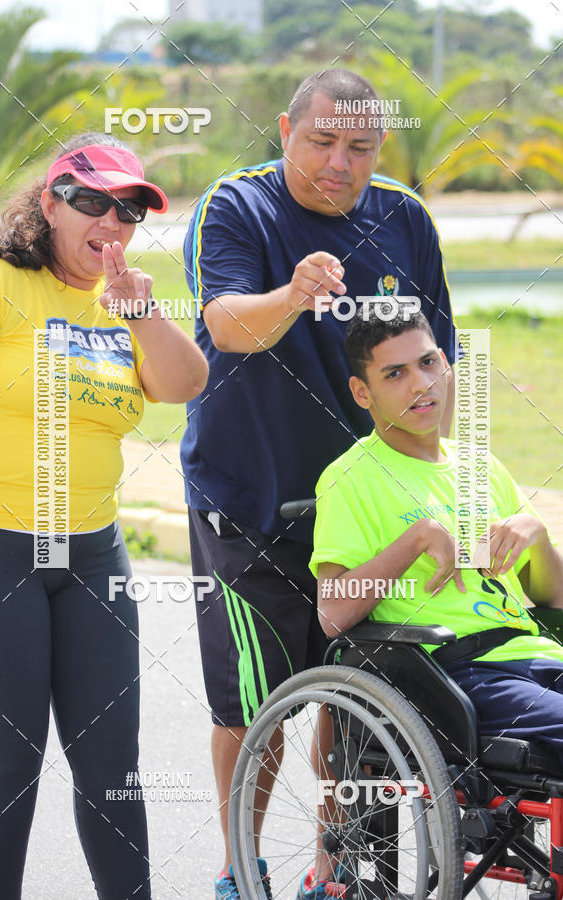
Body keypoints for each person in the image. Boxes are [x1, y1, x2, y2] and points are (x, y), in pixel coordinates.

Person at [181, 68, 458, 899]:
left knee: (360, 698)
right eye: (322, 141)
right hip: (252, 496)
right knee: (252, 707)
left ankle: (337, 873)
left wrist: (455, 481)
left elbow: (439, 361)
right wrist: (294, 293)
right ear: (286, 127)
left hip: (369, 506)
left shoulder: (404, 217)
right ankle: (241, 867)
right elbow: (226, 325)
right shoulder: (239, 206)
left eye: (361, 146)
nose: (340, 162)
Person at [0, 133, 208, 899]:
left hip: (94, 555)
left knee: (112, 763)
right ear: (50, 203)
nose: (112, 218)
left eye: (129, 207)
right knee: (8, 757)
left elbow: (184, 382)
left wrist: (139, 311)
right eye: (92, 200)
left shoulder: (124, 300)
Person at [310, 306, 563, 885]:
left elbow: (552, 600)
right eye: (395, 374)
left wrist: (538, 535)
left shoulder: (480, 468)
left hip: (536, 655)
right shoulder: (352, 479)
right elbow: (333, 613)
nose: (421, 384)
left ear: (446, 364)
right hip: (458, 674)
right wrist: (417, 538)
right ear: (362, 391)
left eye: (428, 363)